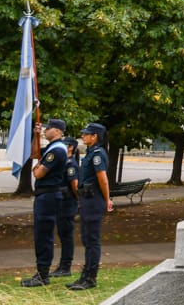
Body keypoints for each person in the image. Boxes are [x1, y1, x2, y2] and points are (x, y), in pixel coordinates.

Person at [22, 118, 70, 287]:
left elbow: (39, 173)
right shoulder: (51, 147)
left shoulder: (57, 150)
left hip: (49, 196)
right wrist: (36, 136)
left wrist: (36, 168)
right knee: (40, 234)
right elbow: (35, 154)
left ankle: (43, 275)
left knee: (44, 235)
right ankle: (41, 272)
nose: (45, 130)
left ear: (57, 131)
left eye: (48, 128)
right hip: (45, 196)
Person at [68, 122, 113, 291]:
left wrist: (107, 199)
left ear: (95, 137)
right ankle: (85, 275)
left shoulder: (97, 154)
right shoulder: (91, 152)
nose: (83, 136)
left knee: (92, 240)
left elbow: (103, 179)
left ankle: (90, 277)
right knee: (87, 239)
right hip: (87, 199)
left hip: (93, 200)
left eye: (86, 134)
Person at [51, 136, 80, 278]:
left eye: (64, 144)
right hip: (61, 202)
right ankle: (63, 265)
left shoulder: (71, 164)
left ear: (71, 147)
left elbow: (74, 184)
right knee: (62, 234)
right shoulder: (64, 162)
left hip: (67, 203)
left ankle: (65, 266)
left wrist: (78, 201)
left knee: (66, 235)